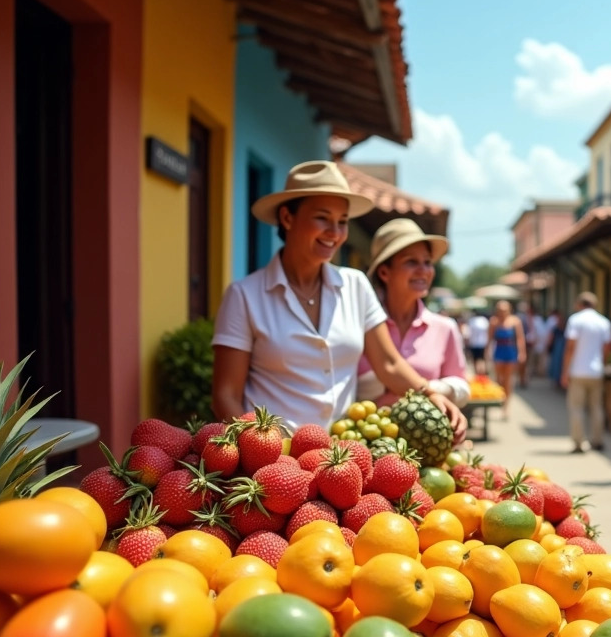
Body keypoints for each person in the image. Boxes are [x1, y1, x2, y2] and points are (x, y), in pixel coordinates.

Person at [212, 161, 465, 440]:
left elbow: (389, 364)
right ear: (287, 218)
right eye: (322, 218)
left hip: (341, 460)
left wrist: (429, 392)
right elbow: (226, 396)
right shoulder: (244, 296)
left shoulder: (355, 286)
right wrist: (259, 450)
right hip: (272, 462)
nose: (335, 232)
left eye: (342, 221)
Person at [356, 219, 471, 409]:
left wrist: (432, 389)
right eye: (411, 262)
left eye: (427, 262)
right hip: (363, 436)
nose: (424, 270)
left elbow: (462, 389)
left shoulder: (445, 328)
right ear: (384, 272)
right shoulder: (360, 325)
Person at [561, 292, 611, 454]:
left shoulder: (575, 320)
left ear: (579, 304)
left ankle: (578, 442)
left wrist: (565, 370)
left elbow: (570, 347)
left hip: (578, 370)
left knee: (577, 408)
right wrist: (602, 364)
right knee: (597, 406)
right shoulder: (603, 322)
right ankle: (598, 440)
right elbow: (607, 348)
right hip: (596, 371)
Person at [486, 300, 526, 418]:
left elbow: (520, 338)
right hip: (499, 352)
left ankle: (506, 407)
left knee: (508, 380)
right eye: (500, 310)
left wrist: (522, 353)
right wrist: (486, 353)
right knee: (499, 379)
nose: (502, 312)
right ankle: (499, 401)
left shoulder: (515, 321)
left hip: (510, 352)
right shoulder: (494, 322)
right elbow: (489, 339)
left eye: (504, 310)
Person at [518, 302, 537, 388]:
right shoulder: (521, 318)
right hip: (524, 343)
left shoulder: (532, 318)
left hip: (529, 344)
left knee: (527, 363)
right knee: (522, 362)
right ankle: (522, 379)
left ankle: (524, 378)